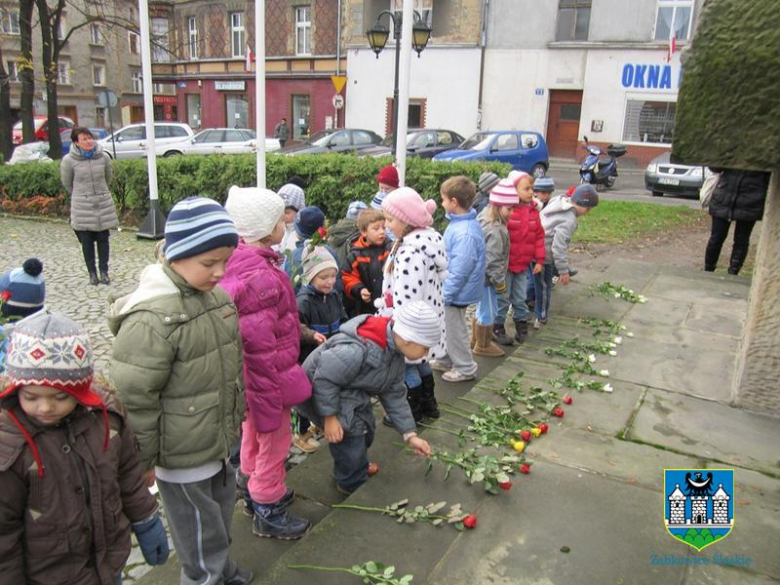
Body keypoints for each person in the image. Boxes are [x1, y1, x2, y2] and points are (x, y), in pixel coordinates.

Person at [108, 197, 252, 585]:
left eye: (225, 260)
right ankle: (204, 578)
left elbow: (230, 367)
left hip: (217, 442)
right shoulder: (152, 318)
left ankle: (220, 569)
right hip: (180, 454)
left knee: (219, 514)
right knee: (197, 530)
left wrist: (236, 417)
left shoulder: (217, 298)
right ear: (177, 254)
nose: (220, 272)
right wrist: (140, 461)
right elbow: (134, 398)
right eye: (209, 263)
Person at [0, 312, 167, 584]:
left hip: (108, 561)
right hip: (50, 575)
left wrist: (145, 519)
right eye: (31, 397)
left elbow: (127, 474)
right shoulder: (9, 443)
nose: (45, 408)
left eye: (60, 396)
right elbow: (4, 531)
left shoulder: (106, 418)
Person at [221, 186, 312, 540]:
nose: (284, 224)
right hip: (266, 379)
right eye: (279, 220)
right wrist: (269, 394)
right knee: (274, 441)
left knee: (253, 435)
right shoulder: (260, 278)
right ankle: (268, 507)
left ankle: (250, 485)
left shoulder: (242, 263)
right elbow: (257, 345)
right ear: (267, 228)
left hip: (258, 379)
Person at [299, 300, 436, 494]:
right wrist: (330, 418)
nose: (427, 353)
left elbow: (394, 393)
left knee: (366, 429)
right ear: (408, 339)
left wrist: (409, 434)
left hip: (349, 388)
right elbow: (324, 379)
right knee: (350, 433)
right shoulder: (357, 349)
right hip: (319, 389)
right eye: (425, 347)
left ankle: (357, 464)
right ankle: (350, 482)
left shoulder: (395, 353)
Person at [378, 188, 447, 422]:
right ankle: (430, 404)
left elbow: (407, 292)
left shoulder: (410, 252)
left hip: (410, 323)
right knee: (422, 362)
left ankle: (412, 410)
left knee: (407, 366)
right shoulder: (422, 242)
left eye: (390, 219)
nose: (387, 225)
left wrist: (400, 325)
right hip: (424, 318)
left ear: (407, 221)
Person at [431, 176, 485, 382]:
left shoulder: (466, 233)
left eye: (443, 199)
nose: (441, 203)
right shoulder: (460, 224)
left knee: (455, 330)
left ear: (454, 202)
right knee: (446, 326)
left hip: (455, 291)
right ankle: (446, 358)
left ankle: (465, 368)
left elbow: (460, 271)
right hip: (453, 288)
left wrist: (446, 294)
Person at [295, 246, 345, 453]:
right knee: (306, 393)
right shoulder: (303, 301)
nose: (330, 281)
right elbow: (295, 328)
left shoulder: (333, 296)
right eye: (323, 277)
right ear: (310, 277)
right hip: (309, 357)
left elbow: (343, 318)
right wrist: (310, 335)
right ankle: (301, 433)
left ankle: (320, 420)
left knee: (326, 388)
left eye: (333, 276)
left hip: (330, 354)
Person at [60, 127, 119, 286]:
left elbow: (108, 177)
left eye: (90, 138)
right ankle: (92, 273)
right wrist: (81, 194)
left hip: (102, 202)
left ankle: (104, 272)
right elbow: (67, 183)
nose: (88, 141)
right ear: (76, 142)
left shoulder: (103, 157)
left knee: (103, 239)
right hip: (82, 204)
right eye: (84, 139)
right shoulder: (69, 160)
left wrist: (100, 192)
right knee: (86, 241)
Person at [536, 184, 599, 328]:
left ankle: (522, 306)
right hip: (544, 255)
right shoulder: (569, 220)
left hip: (534, 247)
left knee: (534, 282)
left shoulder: (559, 201)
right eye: (589, 209)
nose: (587, 212)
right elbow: (558, 247)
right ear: (585, 206)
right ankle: (541, 317)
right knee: (545, 287)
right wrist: (563, 270)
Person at [493, 171, 545, 346]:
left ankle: (521, 327)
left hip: (522, 265)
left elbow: (538, 236)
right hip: (506, 265)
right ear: (513, 190)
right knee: (502, 296)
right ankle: (497, 327)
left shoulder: (533, 212)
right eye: (527, 188)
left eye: (532, 188)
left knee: (520, 296)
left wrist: (539, 260)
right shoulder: (507, 211)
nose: (531, 192)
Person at [474, 179, 517, 357]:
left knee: (481, 309)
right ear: (497, 207)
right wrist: (500, 283)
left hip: (480, 277)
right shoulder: (496, 230)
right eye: (509, 209)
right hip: (488, 280)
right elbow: (493, 261)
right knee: (488, 311)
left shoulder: (483, 218)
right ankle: (482, 345)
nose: (512, 213)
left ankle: (475, 340)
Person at [704, 169, 770, 275]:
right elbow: (715, 167)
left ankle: (733, 272)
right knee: (716, 238)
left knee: (741, 240)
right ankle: (708, 269)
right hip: (724, 197)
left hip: (750, 200)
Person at [342, 208, 391, 316]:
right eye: (376, 228)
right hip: (366, 308)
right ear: (364, 232)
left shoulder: (390, 248)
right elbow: (347, 277)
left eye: (384, 227)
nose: (382, 231)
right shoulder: (355, 255)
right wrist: (359, 289)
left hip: (390, 304)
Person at [526, 177, 555, 311]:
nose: (546, 196)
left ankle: (529, 300)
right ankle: (523, 301)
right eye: (544, 193)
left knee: (535, 280)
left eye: (549, 193)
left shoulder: (551, 206)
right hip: (529, 249)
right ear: (535, 192)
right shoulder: (532, 206)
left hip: (542, 248)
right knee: (531, 281)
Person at [278, 183, 306, 253]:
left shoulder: (304, 235)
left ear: (299, 211)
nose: (282, 216)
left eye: (287, 212)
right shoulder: (278, 230)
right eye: (279, 212)